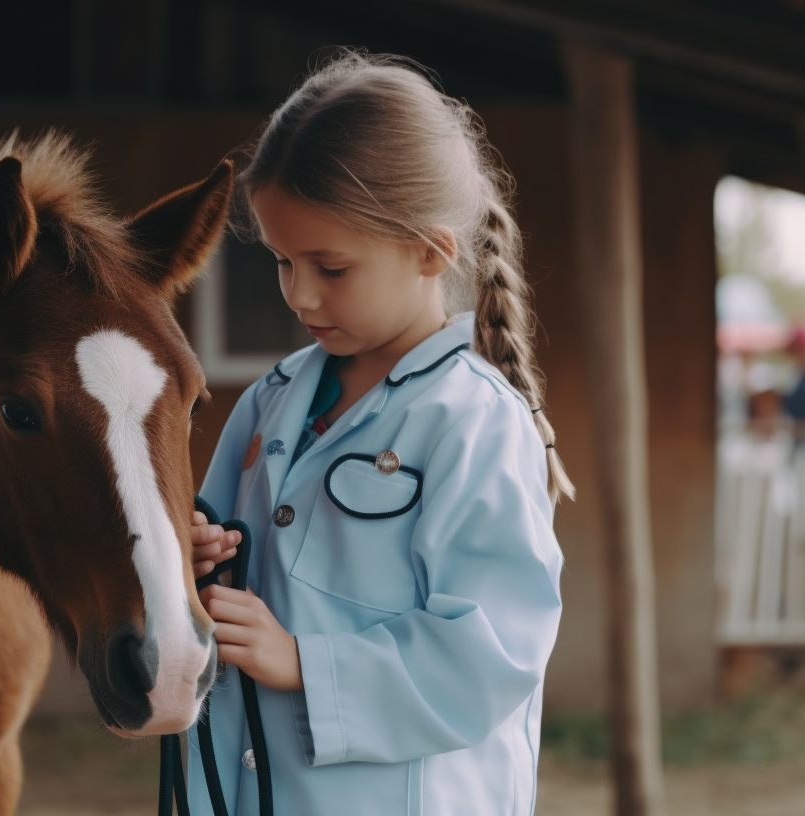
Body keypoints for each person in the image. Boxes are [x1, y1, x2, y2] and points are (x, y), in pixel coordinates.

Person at [185, 51, 572, 816]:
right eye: (282, 262)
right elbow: (213, 548)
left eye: (330, 267)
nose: (299, 293)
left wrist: (304, 664)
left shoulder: (472, 422)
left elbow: (494, 654)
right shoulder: (271, 401)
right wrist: (196, 559)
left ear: (429, 252)